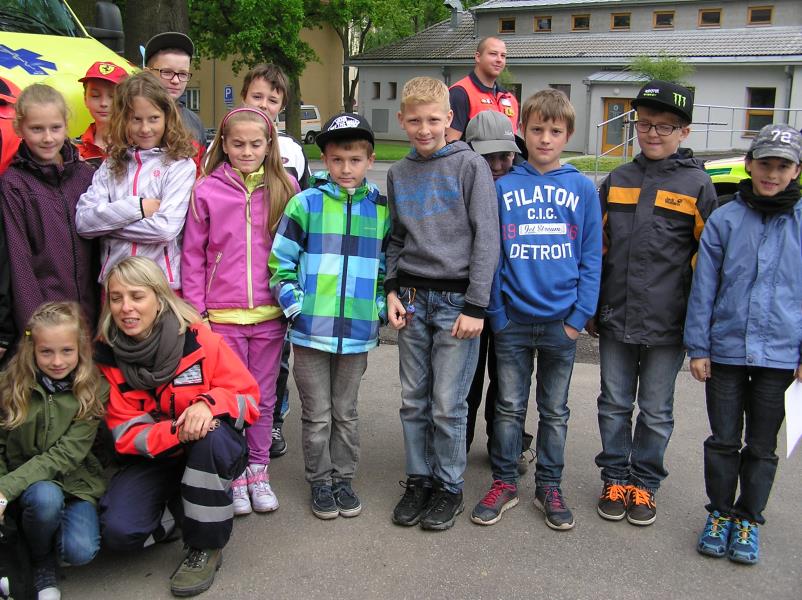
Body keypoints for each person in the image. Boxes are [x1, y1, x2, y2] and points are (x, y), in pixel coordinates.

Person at [471, 89, 602, 530]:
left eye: (555, 131)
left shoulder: (581, 188)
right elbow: (491, 256)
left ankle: (550, 485)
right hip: (512, 320)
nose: (546, 138)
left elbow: (591, 257)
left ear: (568, 135)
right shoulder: (504, 187)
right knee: (508, 407)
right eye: (537, 129)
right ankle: (504, 481)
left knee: (555, 410)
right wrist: (497, 314)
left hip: (561, 323)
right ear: (522, 132)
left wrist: (578, 318)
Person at [589, 80, 718, 526]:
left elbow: (708, 264)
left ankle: (644, 482)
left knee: (657, 410)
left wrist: (699, 328)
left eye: (664, 126)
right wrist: (592, 306)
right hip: (616, 315)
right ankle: (615, 477)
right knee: (614, 402)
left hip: (669, 322)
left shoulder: (698, 185)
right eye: (644, 124)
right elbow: (596, 250)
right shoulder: (617, 181)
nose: (652, 133)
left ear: (684, 131)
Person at [96, 257, 259, 598]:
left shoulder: (198, 339)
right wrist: (179, 429)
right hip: (154, 458)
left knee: (212, 436)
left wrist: (208, 404)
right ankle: (186, 508)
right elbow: (126, 435)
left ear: (159, 298)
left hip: (208, 450)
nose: (126, 308)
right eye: (116, 298)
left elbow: (248, 398)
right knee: (119, 533)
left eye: (137, 296)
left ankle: (205, 547)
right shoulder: (107, 357)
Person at [685, 124, 802, 565]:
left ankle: (749, 518)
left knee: (761, 445)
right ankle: (719, 513)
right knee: (723, 439)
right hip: (727, 350)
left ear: (796, 171)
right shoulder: (726, 219)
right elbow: (704, 287)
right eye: (765, 163)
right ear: (749, 165)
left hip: (780, 355)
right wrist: (699, 347)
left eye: (782, 166)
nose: (772, 174)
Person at [386, 77, 499, 531]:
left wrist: (476, 306)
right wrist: (391, 289)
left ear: (450, 118)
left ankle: (449, 486)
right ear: (402, 120)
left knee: (447, 404)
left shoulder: (470, 166)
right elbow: (396, 238)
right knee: (413, 400)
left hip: (456, 304)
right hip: (412, 298)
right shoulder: (398, 173)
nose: (424, 129)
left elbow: (487, 238)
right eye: (414, 120)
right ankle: (419, 480)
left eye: (433, 120)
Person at [269, 113, 389, 520]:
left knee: (346, 412)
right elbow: (280, 263)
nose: (346, 168)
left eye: (355, 160)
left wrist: (377, 308)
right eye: (337, 159)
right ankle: (320, 480)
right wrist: (296, 309)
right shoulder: (305, 204)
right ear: (325, 159)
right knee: (317, 414)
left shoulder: (380, 209)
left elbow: (386, 266)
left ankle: (343, 478)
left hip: (357, 332)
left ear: (369, 160)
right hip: (310, 331)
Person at [182, 107, 299, 516]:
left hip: (269, 315)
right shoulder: (206, 190)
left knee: (264, 398)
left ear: (269, 145)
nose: (246, 151)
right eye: (237, 144)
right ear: (224, 145)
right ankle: (233, 475)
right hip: (221, 318)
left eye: (255, 144)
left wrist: (291, 301)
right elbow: (193, 254)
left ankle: (258, 470)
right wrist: (197, 312)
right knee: (230, 399)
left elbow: (296, 250)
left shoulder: (286, 187)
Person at [0, 302, 107, 600]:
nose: (57, 361)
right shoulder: (9, 385)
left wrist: (5, 489)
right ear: (31, 349)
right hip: (29, 488)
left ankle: (38, 534)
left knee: (81, 550)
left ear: (80, 348)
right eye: (46, 352)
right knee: (45, 498)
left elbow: (66, 454)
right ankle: (41, 561)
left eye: (66, 351)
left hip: (74, 484)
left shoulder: (94, 389)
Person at [240, 63, 312, 459]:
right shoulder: (224, 146)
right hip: (235, 272)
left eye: (273, 100)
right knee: (235, 354)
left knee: (277, 354)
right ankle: (236, 421)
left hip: (277, 268)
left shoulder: (292, 151)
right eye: (257, 96)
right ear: (243, 97)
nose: (264, 105)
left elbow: (304, 209)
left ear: (281, 107)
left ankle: (274, 419)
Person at [75, 71, 197, 291]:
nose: (145, 128)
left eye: (153, 118)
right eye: (136, 119)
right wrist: (137, 207)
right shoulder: (111, 165)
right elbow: (84, 222)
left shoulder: (180, 165)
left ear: (167, 117)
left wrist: (106, 225)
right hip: (115, 285)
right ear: (124, 120)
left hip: (161, 287)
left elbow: (165, 229)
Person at [462, 109, 534, 473]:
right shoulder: (460, 180)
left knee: (508, 381)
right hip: (470, 298)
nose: (496, 165)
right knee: (466, 380)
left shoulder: (523, 185)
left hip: (511, 299)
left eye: (504, 155)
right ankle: (455, 446)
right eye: (486, 156)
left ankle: (505, 445)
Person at [0, 84, 98, 336]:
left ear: (66, 126)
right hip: (47, 321)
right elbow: (19, 262)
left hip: (92, 317)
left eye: (55, 128)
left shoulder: (86, 176)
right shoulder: (14, 185)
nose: (48, 138)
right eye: (37, 129)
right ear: (19, 128)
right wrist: (36, 328)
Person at [445, 37, 519, 142]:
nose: (499, 60)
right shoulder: (460, 93)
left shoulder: (510, 98)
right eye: (493, 54)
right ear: (478, 57)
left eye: (503, 56)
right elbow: (450, 145)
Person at [144, 32, 205, 147]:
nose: (176, 80)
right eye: (167, 72)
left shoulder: (194, 123)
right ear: (147, 73)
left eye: (183, 74)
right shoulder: (129, 116)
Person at [76, 61, 129, 167]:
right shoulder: (73, 149)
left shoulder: (136, 146)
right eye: (95, 95)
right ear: (85, 99)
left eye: (112, 96)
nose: (104, 103)